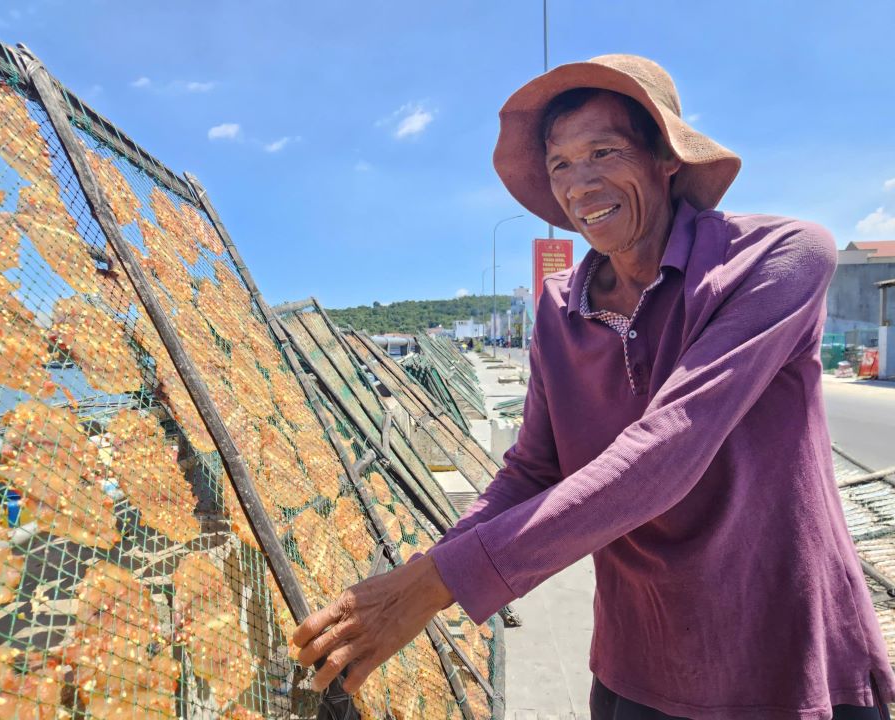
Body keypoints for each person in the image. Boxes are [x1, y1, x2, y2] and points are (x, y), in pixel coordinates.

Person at [293, 55, 895, 719]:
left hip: (782, 657)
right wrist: (421, 574)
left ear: (666, 157)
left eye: (603, 151)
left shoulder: (778, 258)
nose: (579, 185)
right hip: (640, 663)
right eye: (559, 165)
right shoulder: (560, 307)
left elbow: (665, 453)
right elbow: (531, 471)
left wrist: (435, 585)